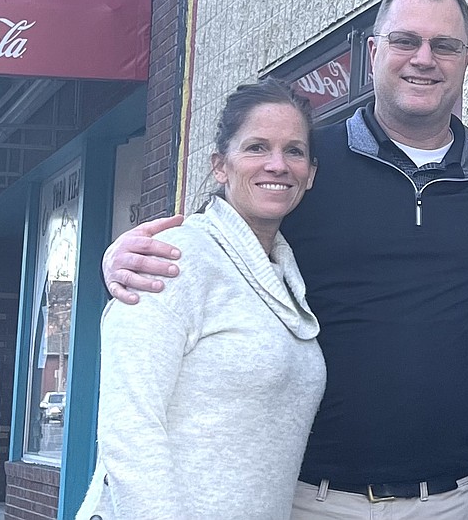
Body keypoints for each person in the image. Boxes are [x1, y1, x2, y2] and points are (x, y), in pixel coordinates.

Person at [103, 0, 468, 520]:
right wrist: (121, 257)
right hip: (312, 500)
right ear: (374, 52)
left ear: (466, 60)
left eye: (444, 46)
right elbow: (220, 240)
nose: (424, 58)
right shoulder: (306, 165)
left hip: (449, 500)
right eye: (406, 41)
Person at [77, 79, 325, 520]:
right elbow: (130, 429)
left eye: (294, 151)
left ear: (311, 173)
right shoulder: (175, 258)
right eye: (256, 147)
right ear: (220, 166)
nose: (277, 164)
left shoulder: (284, 276)